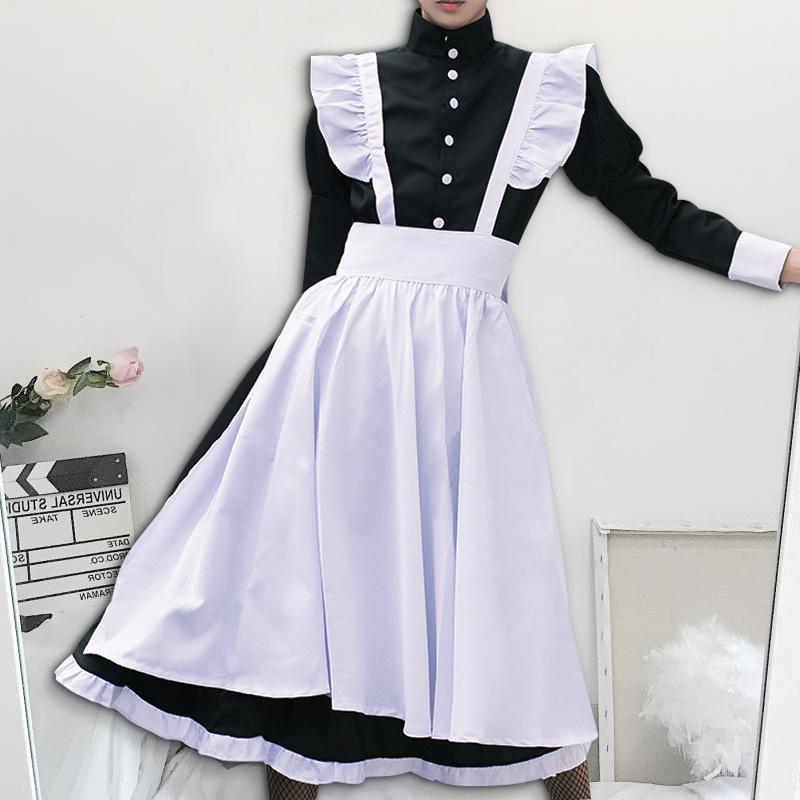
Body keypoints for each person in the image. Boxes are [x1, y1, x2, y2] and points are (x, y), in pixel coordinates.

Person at [53, 2, 796, 800]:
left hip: (468, 374)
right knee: (313, 579)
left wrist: (778, 261)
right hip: (341, 365)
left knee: (501, 583)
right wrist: (282, 387)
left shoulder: (552, 88)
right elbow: (323, 266)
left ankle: (561, 778)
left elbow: (648, 203)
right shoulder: (352, 91)